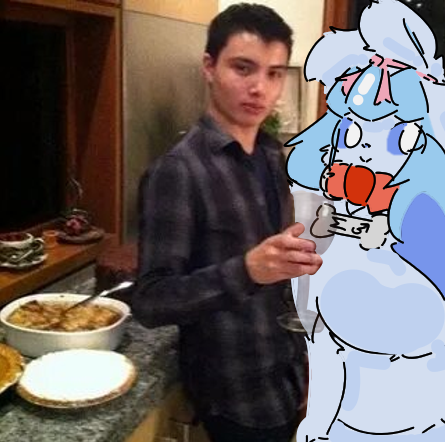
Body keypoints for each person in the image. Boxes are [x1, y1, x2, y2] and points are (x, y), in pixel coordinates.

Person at [131, 4, 323, 442]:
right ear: (209, 67)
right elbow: (151, 300)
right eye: (243, 68)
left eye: (274, 73)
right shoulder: (178, 171)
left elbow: (283, 278)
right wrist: (246, 270)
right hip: (235, 393)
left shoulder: (272, 154)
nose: (260, 87)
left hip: (288, 376)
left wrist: (311, 359)